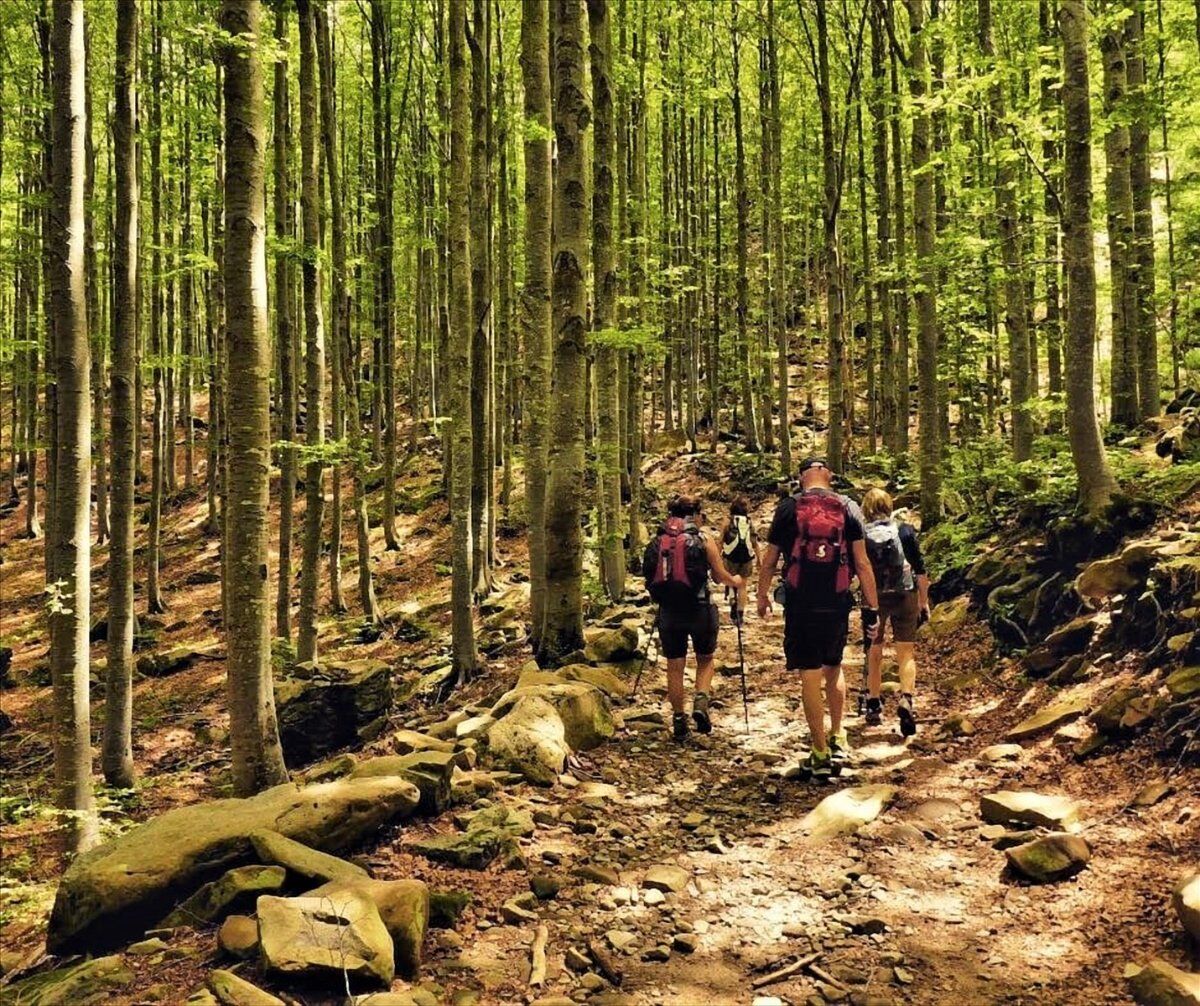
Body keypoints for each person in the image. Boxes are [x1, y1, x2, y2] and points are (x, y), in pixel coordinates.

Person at [757, 458, 881, 780]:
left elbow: (770, 560)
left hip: (801, 604)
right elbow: (862, 563)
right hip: (836, 602)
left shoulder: (788, 508)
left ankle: (820, 752)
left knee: (810, 676)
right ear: (829, 475)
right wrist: (873, 607)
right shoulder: (848, 506)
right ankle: (838, 736)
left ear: (801, 477)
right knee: (834, 667)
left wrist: (761, 595)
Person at [643, 495, 744, 742]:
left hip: (669, 611)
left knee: (675, 666)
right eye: (701, 514)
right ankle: (700, 701)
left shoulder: (658, 539)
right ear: (696, 514)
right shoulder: (703, 539)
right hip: (700, 609)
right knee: (705, 659)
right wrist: (736, 580)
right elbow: (719, 576)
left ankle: (679, 719)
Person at [860, 487, 930, 736]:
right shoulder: (905, 531)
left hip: (874, 597)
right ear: (889, 506)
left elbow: (858, 568)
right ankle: (906, 698)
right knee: (906, 652)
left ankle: (873, 703)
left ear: (866, 509)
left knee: (874, 649)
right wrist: (923, 601)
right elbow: (920, 571)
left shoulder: (861, 534)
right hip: (905, 593)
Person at [720, 496, 758, 622]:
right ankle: (740, 613)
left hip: (730, 556)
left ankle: (732, 598)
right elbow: (754, 542)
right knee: (743, 585)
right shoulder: (749, 522)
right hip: (746, 558)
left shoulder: (728, 521)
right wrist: (759, 559)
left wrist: (717, 555)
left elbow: (721, 540)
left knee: (730, 579)